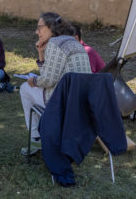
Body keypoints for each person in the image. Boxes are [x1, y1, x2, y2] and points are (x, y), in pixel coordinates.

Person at [19, 12, 91, 155]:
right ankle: (45, 132)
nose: (37, 32)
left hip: (63, 103)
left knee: (24, 88)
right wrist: (41, 53)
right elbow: (50, 74)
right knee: (33, 89)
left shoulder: (54, 44)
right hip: (81, 104)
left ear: (51, 27)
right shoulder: (73, 42)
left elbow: (47, 80)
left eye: (40, 27)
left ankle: (36, 138)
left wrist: (33, 81)